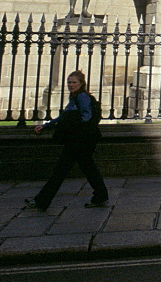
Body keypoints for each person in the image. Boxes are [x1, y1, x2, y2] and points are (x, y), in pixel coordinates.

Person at [25, 70, 109, 210]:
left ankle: (42, 201)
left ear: (81, 83)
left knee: (61, 170)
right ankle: (101, 195)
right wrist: (46, 126)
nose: (71, 85)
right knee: (88, 168)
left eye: (74, 82)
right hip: (80, 140)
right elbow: (64, 116)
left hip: (79, 140)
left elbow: (86, 117)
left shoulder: (82, 97)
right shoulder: (74, 97)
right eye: (69, 82)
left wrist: (72, 125)